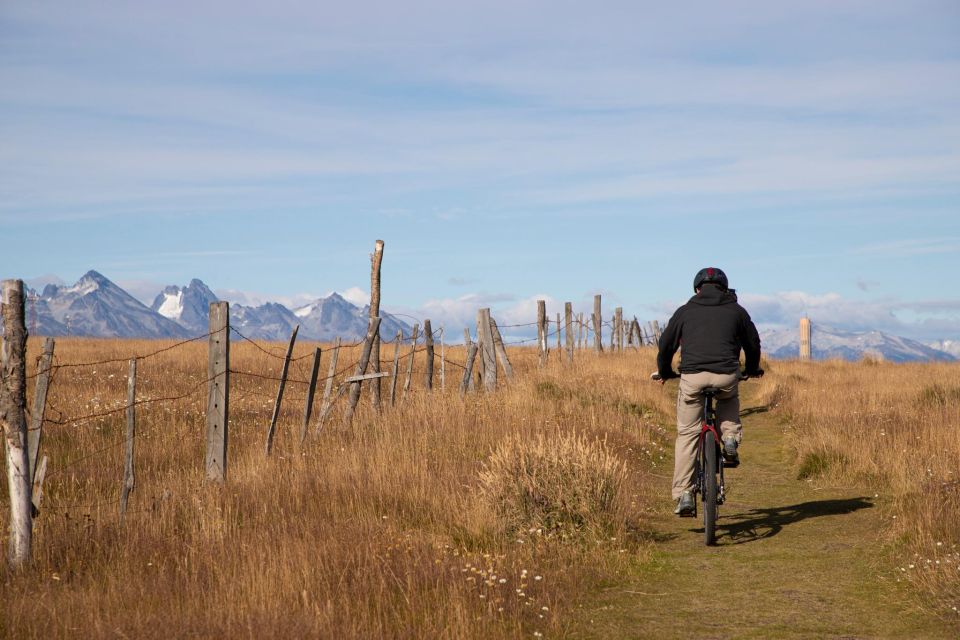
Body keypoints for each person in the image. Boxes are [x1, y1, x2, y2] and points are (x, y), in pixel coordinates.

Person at [656, 267, 763, 517]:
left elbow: (666, 345)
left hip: (692, 377)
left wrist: (665, 371)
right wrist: (752, 368)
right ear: (725, 289)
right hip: (726, 374)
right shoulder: (737, 311)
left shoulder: (685, 311)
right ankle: (729, 438)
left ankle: (684, 494)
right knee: (728, 398)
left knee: (687, 434)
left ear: (697, 289)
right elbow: (752, 343)